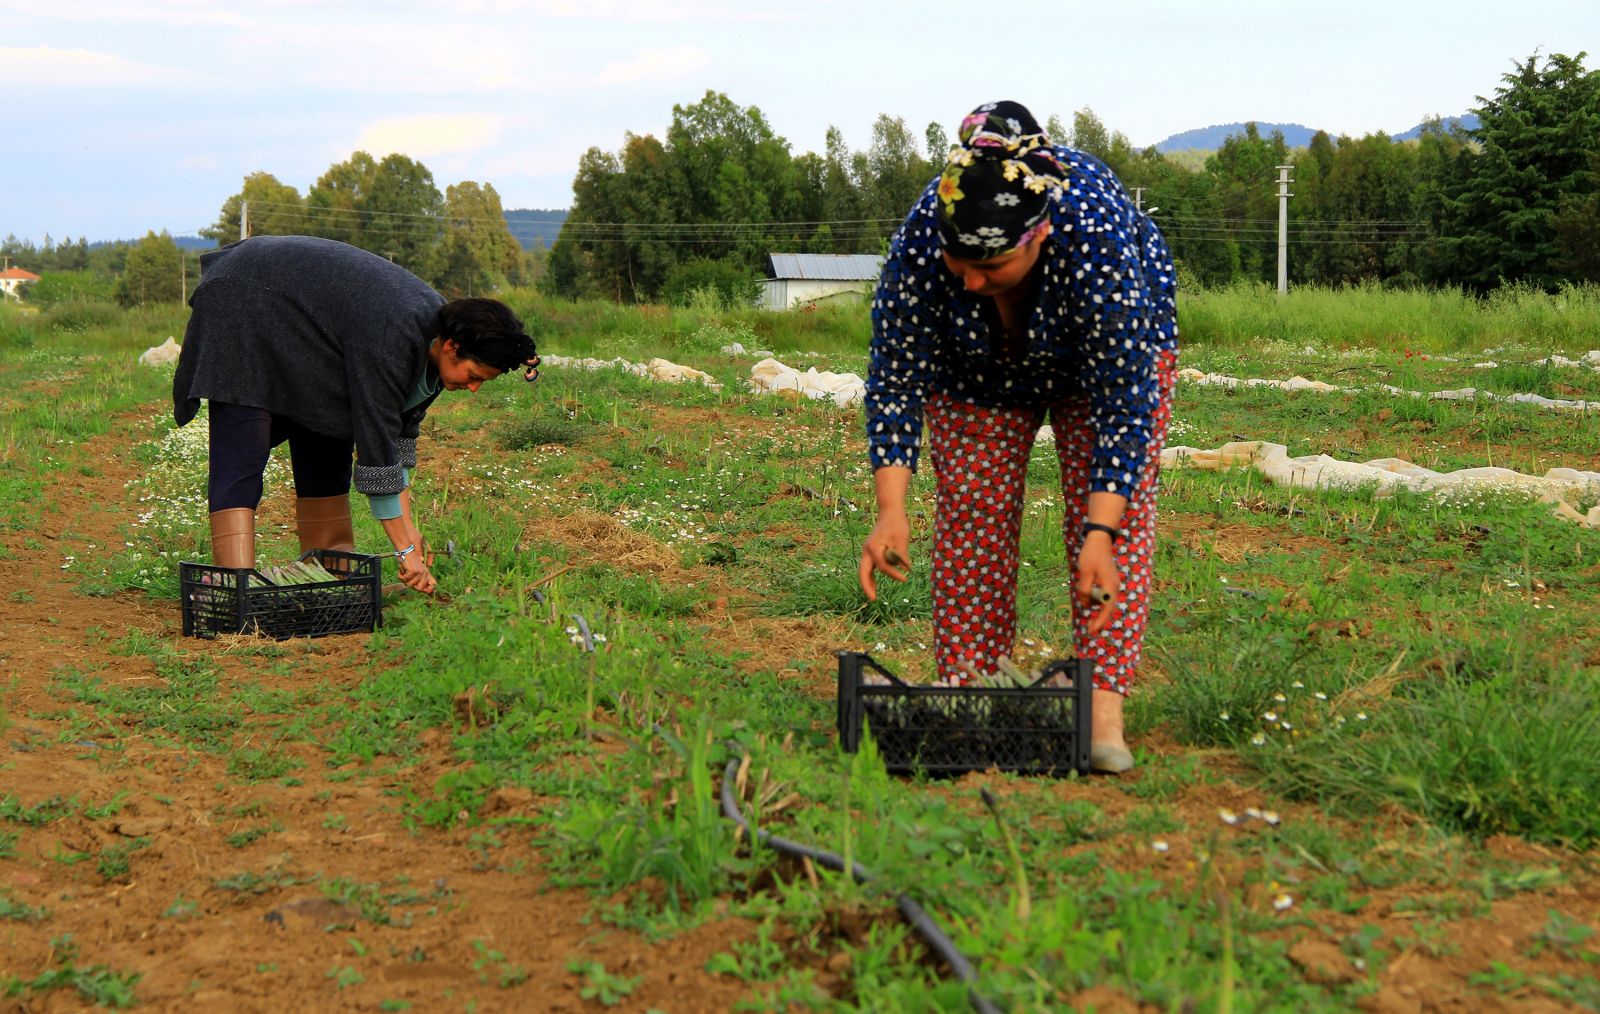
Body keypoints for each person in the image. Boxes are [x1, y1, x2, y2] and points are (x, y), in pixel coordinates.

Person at [858, 101, 1178, 774]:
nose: (971, 280)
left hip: (1098, 368)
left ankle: (1100, 709)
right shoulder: (925, 232)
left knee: (1109, 531)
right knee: (973, 513)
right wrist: (891, 508)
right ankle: (973, 693)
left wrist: (1101, 533)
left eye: (992, 265)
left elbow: (1125, 408)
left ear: (1038, 236)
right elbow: (895, 374)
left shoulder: (1094, 236)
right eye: (959, 263)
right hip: (974, 368)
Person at [173, 235, 540, 595]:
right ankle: (233, 585)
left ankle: (325, 574)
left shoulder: (439, 346)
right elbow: (376, 450)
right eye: (474, 376)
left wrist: (409, 531)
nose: (473, 388)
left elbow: (397, 443)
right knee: (244, 441)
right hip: (244, 296)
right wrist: (404, 550)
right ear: (452, 347)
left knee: (329, 425)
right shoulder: (395, 337)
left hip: (301, 318)